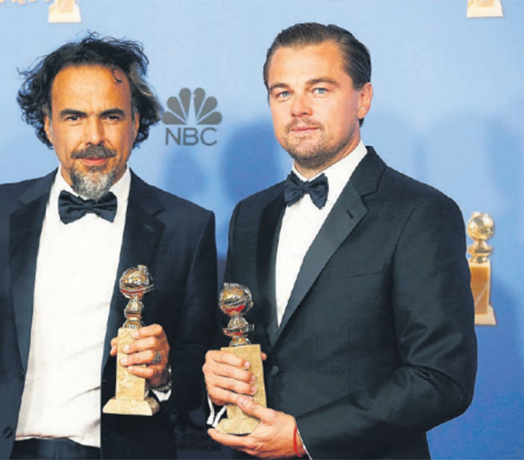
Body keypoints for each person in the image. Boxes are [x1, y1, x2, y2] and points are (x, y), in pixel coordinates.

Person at [0, 34, 218, 460]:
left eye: (112, 116)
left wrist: (166, 372)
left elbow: (201, 364)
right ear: (48, 124)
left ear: (136, 123)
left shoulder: (187, 226)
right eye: (74, 117)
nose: (94, 136)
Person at [203, 22, 477, 460]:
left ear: (363, 98)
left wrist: (304, 436)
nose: (299, 109)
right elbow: (246, 342)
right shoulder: (250, 214)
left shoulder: (420, 212)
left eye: (320, 90)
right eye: (283, 92)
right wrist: (218, 376)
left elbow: (441, 378)